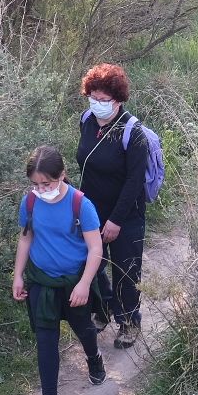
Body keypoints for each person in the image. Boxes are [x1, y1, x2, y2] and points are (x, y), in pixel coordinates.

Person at [12, 145, 108, 395]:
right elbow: (25, 239)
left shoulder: (81, 204)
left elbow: (95, 248)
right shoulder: (29, 203)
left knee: (84, 329)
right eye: (36, 184)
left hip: (74, 282)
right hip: (42, 282)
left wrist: (84, 284)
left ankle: (94, 357)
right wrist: (18, 275)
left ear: (63, 175)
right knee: (45, 340)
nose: (42, 190)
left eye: (48, 183)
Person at [76, 63, 148, 348]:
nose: (97, 104)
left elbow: (134, 182)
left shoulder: (133, 132)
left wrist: (116, 221)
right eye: (93, 97)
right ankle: (103, 310)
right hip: (92, 211)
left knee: (126, 270)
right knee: (92, 264)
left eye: (103, 100)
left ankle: (130, 323)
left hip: (126, 215)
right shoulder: (86, 120)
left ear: (118, 99)